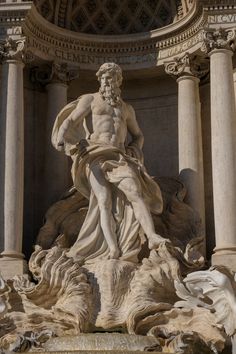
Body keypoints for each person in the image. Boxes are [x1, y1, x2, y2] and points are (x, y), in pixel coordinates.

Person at [52, 63, 168, 262]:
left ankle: (152, 236)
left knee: (135, 191)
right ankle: (113, 248)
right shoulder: (91, 100)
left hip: (119, 155)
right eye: (104, 77)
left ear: (118, 81)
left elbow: (138, 135)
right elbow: (70, 121)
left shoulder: (126, 109)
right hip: (94, 153)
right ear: (100, 80)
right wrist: (61, 138)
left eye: (112, 77)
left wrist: (135, 150)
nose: (107, 81)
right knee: (103, 201)